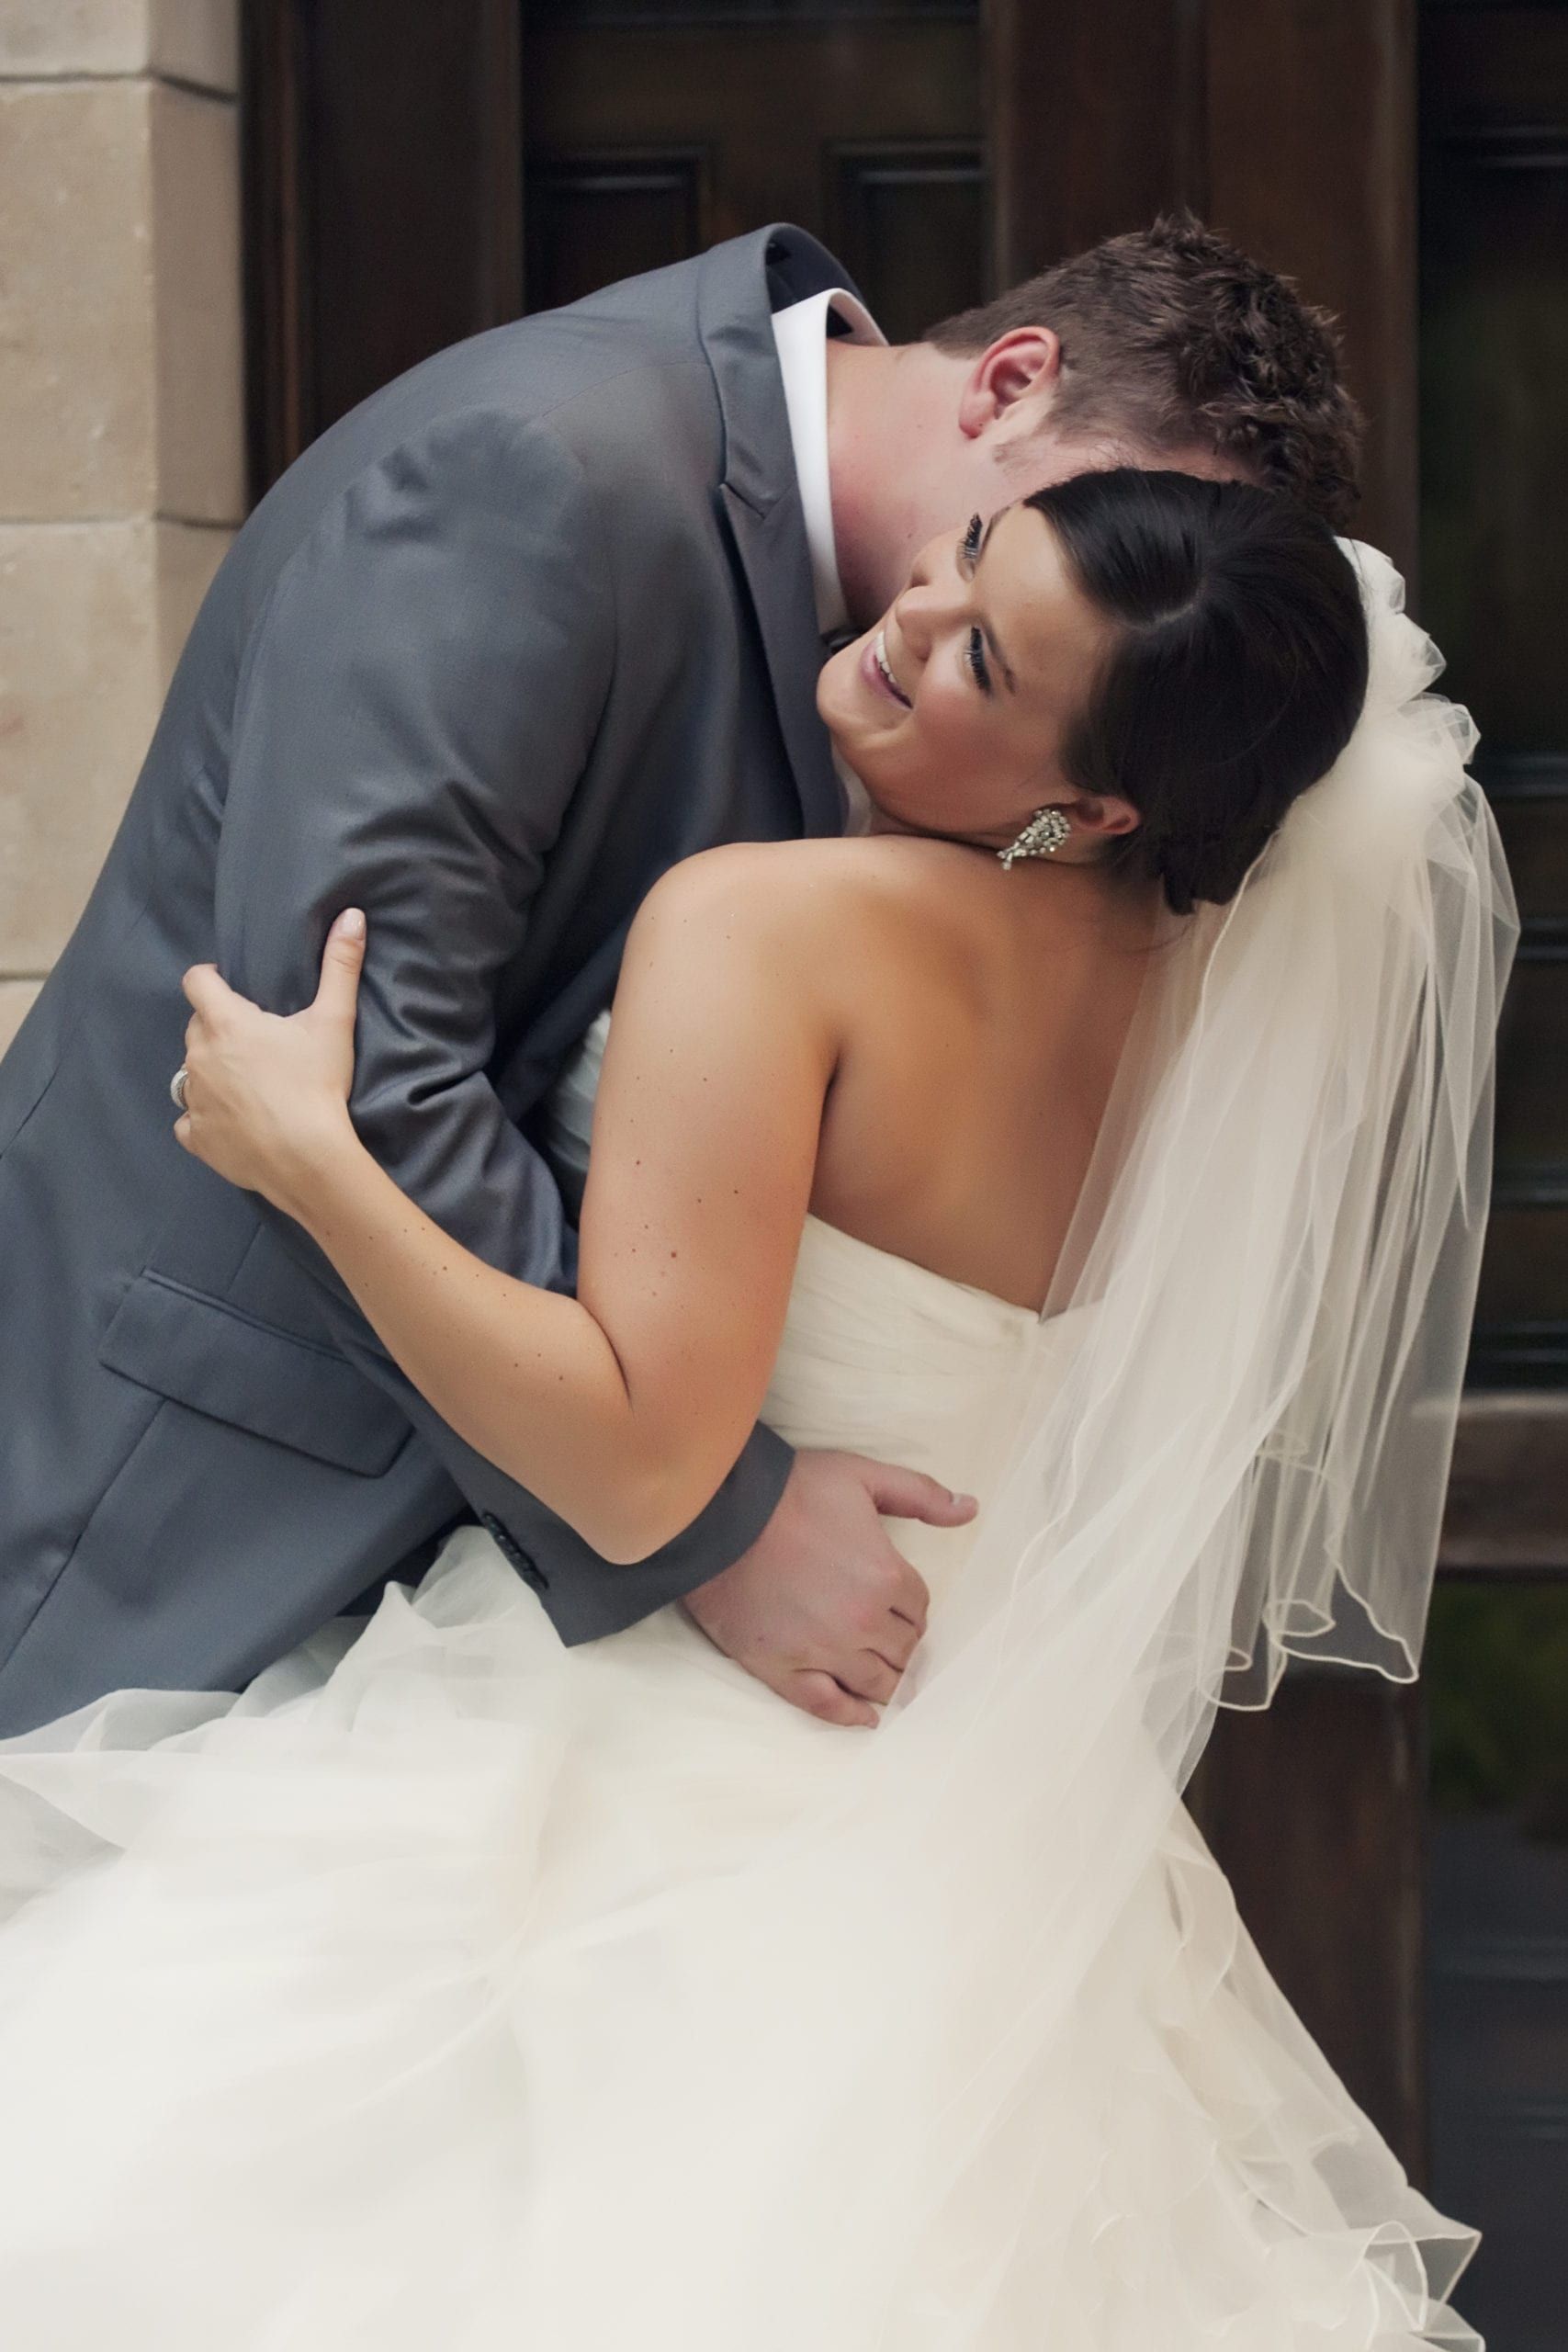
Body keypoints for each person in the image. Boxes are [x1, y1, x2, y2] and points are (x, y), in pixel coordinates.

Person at [0, 470, 1516, 2347]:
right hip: (988, 1821)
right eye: (966, 553)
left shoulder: (774, 926)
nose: (907, 618)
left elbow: (642, 1459)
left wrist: (313, 1159)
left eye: (982, 655)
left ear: (1095, 801)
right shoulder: (1224, 1012)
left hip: (679, 1741)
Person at [0, 214, 1363, 1736]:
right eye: (1093, 513)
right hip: (170, 1510)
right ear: (1012, 385)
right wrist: (721, 1524)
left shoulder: (1009, 820)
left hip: (594, 1639)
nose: (1114, 594)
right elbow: (347, 1058)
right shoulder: (534, 474)